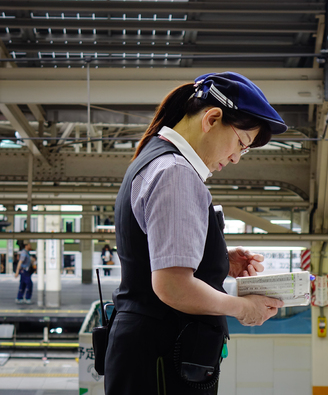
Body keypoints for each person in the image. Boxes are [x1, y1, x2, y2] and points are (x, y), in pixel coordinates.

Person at [104, 72, 288, 395]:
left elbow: (155, 255)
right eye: (241, 144)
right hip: (161, 364)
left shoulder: (154, 156)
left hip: (146, 357)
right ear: (212, 118)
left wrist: (217, 260)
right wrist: (243, 308)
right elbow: (172, 286)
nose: (235, 158)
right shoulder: (176, 173)